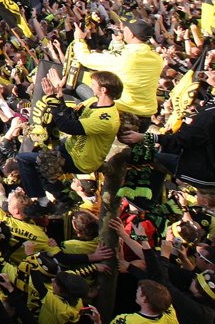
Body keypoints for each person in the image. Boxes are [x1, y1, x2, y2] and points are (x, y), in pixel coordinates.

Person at [18, 69, 122, 209]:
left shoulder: (106, 118)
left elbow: (66, 126)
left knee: (24, 158)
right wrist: (58, 93)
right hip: (69, 147)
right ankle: (62, 199)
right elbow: (69, 115)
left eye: (93, 83)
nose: (91, 85)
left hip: (80, 160)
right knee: (41, 166)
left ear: (103, 89)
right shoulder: (93, 101)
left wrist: (50, 96)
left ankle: (40, 201)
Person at [70, 18, 164, 117]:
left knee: (77, 87)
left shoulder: (123, 59)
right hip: (146, 114)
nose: (122, 29)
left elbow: (85, 59)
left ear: (131, 34)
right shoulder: (157, 58)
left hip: (123, 112)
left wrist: (79, 40)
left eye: (126, 28)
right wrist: (119, 43)